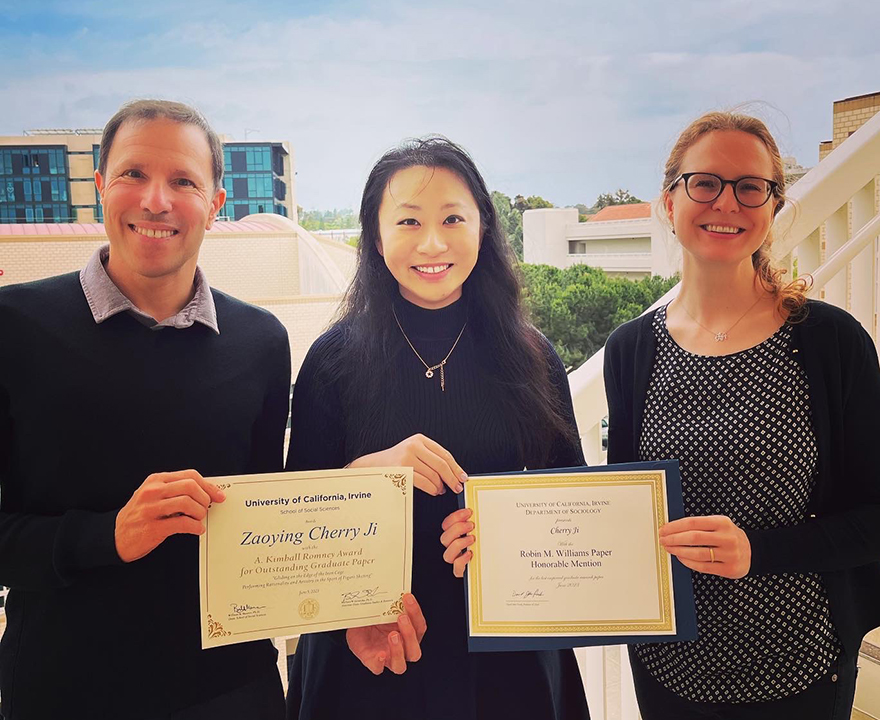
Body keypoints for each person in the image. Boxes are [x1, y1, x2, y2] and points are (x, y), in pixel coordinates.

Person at [0, 100, 291, 719]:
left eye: (184, 181)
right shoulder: (13, 328)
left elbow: (268, 518)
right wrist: (107, 535)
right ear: (100, 186)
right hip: (66, 691)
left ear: (215, 204)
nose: (156, 201)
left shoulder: (262, 342)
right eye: (134, 174)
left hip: (233, 690)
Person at [284, 137, 590, 720]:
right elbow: (295, 519)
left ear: (483, 228)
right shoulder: (333, 358)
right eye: (408, 221)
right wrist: (368, 473)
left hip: (508, 647)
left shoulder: (530, 355)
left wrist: (508, 529)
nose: (432, 243)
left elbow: (574, 502)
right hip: (373, 643)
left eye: (453, 218)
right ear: (376, 238)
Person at [602, 111, 880, 719]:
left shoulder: (830, 343)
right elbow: (627, 506)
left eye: (750, 186)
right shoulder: (630, 350)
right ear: (669, 201)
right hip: (667, 668)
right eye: (704, 182)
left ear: (773, 206)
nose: (726, 202)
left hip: (800, 667)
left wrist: (759, 551)